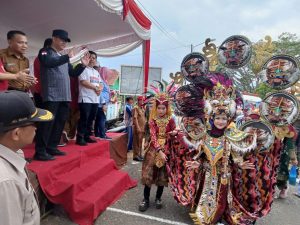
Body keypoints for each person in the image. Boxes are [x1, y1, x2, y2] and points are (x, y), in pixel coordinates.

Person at [34, 29, 90, 161]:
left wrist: (82, 66)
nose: (64, 43)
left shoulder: (63, 58)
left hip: (65, 96)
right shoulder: (44, 51)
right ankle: (40, 151)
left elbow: (73, 74)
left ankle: (52, 147)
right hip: (52, 95)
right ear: (53, 38)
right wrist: (67, 57)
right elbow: (48, 62)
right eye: (62, 40)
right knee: (47, 123)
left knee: (59, 123)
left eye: (66, 41)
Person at [0, 90, 53, 225]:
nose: (36, 128)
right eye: (33, 123)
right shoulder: (6, 182)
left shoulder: (14, 153)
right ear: (16, 133)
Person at [139, 83, 177, 212]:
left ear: (167, 108)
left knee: (162, 176)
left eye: (163, 108)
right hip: (153, 150)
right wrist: (159, 151)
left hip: (167, 148)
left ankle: (158, 198)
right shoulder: (152, 120)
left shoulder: (171, 120)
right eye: (159, 108)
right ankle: (145, 199)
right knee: (148, 175)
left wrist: (174, 133)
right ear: (156, 107)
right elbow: (153, 136)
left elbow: (174, 131)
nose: (161, 110)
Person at [76, 51, 102, 146]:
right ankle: (80, 137)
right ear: (87, 58)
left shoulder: (96, 72)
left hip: (95, 99)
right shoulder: (83, 69)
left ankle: (87, 136)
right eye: (90, 57)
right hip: (85, 98)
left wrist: (99, 89)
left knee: (91, 118)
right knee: (84, 118)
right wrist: (95, 88)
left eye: (94, 58)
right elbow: (83, 82)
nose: (92, 59)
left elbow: (100, 83)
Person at [33, 38, 52, 107]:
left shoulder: (46, 57)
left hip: (47, 92)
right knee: (44, 115)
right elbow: (46, 74)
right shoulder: (41, 58)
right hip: (42, 92)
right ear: (48, 47)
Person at [94, 65, 111, 140]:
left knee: (98, 118)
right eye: (107, 73)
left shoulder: (104, 81)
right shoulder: (101, 81)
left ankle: (97, 134)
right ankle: (102, 134)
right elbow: (100, 93)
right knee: (102, 118)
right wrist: (103, 103)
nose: (108, 74)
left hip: (102, 103)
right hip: (101, 104)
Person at [132, 96, 146, 161]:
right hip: (138, 128)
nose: (142, 102)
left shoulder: (142, 108)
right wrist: (137, 127)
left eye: (143, 101)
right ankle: (136, 156)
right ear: (138, 101)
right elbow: (135, 118)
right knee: (136, 142)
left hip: (142, 128)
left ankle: (140, 155)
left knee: (140, 142)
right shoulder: (136, 108)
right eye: (141, 100)